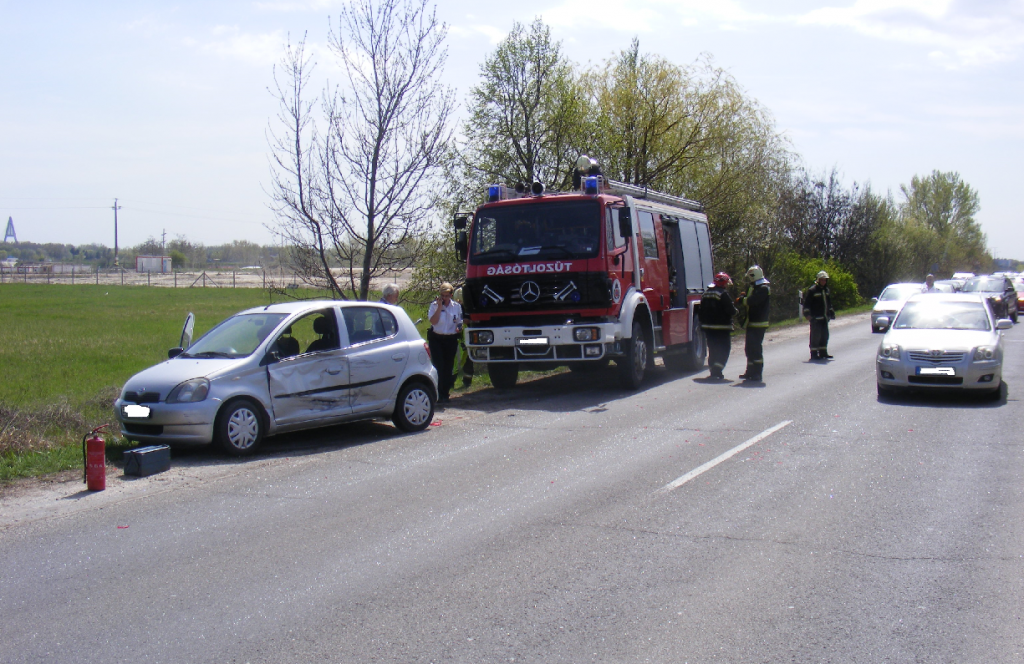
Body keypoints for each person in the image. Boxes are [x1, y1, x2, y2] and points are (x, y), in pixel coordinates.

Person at [427, 282, 462, 403]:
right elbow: (433, 322)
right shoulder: (434, 306)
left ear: (451, 295)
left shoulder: (456, 306)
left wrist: (459, 327)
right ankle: (437, 393)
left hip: (450, 339)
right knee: (438, 366)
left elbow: (459, 321)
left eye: (447, 296)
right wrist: (439, 307)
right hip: (437, 339)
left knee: (448, 367)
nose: (445, 298)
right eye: (443, 295)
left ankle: (445, 393)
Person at [698, 272, 737, 380]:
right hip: (722, 327)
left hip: (708, 328)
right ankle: (717, 370)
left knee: (713, 349)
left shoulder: (706, 293)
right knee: (724, 349)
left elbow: (700, 311)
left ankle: (713, 371)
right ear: (723, 282)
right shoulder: (722, 294)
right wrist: (735, 311)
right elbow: (731, 310)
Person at [737, 265, 770, 382]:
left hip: (759, 323)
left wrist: (743, 300)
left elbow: (753, 301)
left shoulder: (763, 289)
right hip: (751, 322)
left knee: (755, 349)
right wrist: (743, 297)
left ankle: (757, 373)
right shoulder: (755, 287)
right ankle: (750, 372)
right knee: (749, 349)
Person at [803, 270, 836, 360]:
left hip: (824, 318)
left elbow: (829, 303)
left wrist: (831, 312)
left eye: (825, 280)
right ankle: (814, 354)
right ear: (818, 280)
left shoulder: (826, 290)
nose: (824, 282)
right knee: (815, 337)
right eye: (822, 280)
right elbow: (807, 305)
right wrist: (808, 316)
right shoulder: (812, 290)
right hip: (815, 319)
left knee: (825, 336)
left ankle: (823, 353)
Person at [452, 287, 474, 388]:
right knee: (456, 360)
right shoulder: (455, 308)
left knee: (469, 359)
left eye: (461, 300)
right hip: (459, 337)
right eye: (457, 300)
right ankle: (451, 381)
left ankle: (467, 381)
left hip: (469, 336)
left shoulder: (470, 307)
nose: (459, 302)